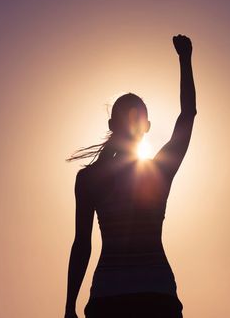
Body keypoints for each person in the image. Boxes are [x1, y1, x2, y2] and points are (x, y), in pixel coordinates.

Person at [64, 35, 197, 318]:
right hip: (156, 295)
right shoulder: (159, 171)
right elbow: (188, 114)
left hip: (109, 298)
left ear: (112, 124)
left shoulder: (89, 179)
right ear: (146, 127)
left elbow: (81, 245)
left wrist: (69, 307)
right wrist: (185, 60)